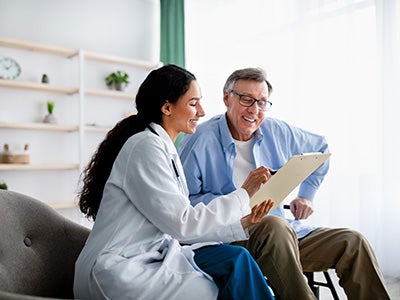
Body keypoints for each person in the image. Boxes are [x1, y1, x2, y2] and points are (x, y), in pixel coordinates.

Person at [178, 67, 391, 300]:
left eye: (262, 102)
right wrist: (240, 198)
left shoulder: (277, 130)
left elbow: (321, 149)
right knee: (274, 225)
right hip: (233, 235)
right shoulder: (199, 139)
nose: (254, 110)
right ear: (226, 98)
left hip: (285, 235)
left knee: (352, 242)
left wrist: (306, 195)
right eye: (247, 100)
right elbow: (185, 203)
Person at [73, 64, 276, 300]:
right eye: (193, 103)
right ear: (167, 107)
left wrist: (241, 222)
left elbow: (180, 223)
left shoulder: (164, 148)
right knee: (221, 280)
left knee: (236, 261)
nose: (201, 112)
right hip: (117, 268)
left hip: (152, 256)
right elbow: (182, 224)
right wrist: (243, 194)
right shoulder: (145, 146)